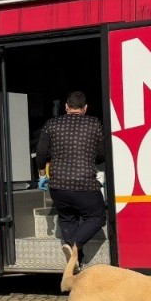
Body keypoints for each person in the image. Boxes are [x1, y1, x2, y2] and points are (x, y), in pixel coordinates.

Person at [35, 90, 106, 266]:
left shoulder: (52, 124)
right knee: (97, 217)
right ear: (85, 108)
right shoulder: (94, 124)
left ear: (66, 107)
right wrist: (91, 157)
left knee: (68, 219)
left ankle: (74, 260)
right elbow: (102, 154)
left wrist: (42, 175)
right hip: (85, 185)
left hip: (58, 186)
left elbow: (41, 152)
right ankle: (74, 245)